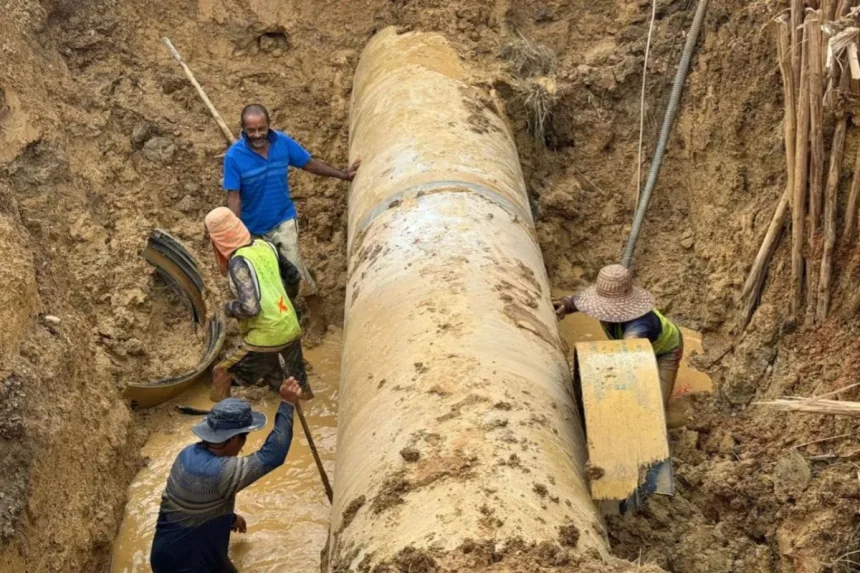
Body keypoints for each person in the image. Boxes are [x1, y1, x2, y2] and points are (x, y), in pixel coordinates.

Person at [150, 378, 303, 572]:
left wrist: (229, 518)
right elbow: (273, 455)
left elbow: (194, 500)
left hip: (167, 555)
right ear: (231, 439)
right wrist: (287, 404)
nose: (243, 446)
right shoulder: (220, 471)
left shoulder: (187, 454)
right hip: (189, 564)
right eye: (243, 437)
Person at [223, 103, 360, 297]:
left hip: (283, 220)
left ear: (269, 125)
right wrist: (235, 233)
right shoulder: (234, 157)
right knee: (265, 277)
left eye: (261, 129)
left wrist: (342, 175)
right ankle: (287, 309)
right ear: (243, 130)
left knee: (294, 270)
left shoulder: (283, 143)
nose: (257, 134)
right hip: (253, 230)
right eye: (251, 130)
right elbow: (233, 197)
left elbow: (308, 164)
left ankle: (312, 308)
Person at [204, 206, 312, 402]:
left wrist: (228, 309)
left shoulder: (238, 263)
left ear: (217, 242)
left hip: (265, 336)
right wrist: (284, 303)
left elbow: (250, 307)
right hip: (290, 325)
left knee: (222, 371)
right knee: (298, 383)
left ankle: (227, 417)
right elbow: (294, 277)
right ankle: (297, 401)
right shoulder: (266, 245)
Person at [554, 264, 683, 408]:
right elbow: (578, 301)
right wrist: (566, 304)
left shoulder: (639, 325)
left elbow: (627, 351)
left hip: (667, 351)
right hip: (639, 345)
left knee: (656, 404)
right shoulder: (601, 307)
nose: (601, 312)